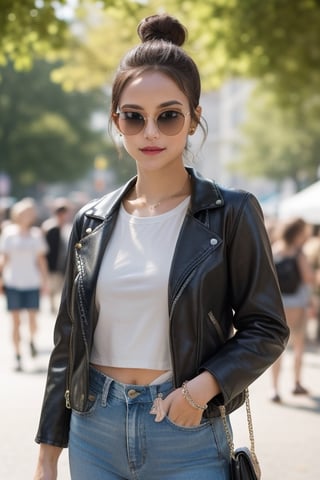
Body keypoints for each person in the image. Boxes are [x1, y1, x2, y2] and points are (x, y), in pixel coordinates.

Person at [34, 13, 289, 480]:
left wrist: (202, 390)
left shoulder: (231, 212)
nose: (150, 132)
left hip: (186, 432)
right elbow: (68, 344)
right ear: (117, 121)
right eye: (134, 117)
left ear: (193, 119)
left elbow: (267, 328)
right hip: (94, 432)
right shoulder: (91, 220)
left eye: (168, 116)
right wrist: (48, 454)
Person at [0, 197, 49, 371]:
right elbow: (4, 258)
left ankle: (31, 341)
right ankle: (18, 355)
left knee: (33, 320)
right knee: (15, 321)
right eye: (23, 213)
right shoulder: (8, 233)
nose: (27, 216)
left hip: (32, 282)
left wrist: (45, 282)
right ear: (17, 215)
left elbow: (41, 261)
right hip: (13, 281)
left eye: (30, 213)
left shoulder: (36, 234)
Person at [271, 217, 314, 403]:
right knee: (298, 346)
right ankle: (296, 383)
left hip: (278, 305)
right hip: (297, 305)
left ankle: (274, 388)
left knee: (277, 349)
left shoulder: (275, 249)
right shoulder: (298, 253)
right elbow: (308, 278)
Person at [41, 198, 72, 314]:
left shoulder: (70, 228)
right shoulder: (48, 227)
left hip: (65, 264)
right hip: (52, 264)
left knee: (63, 288)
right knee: (52, 288)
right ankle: (53, 306)